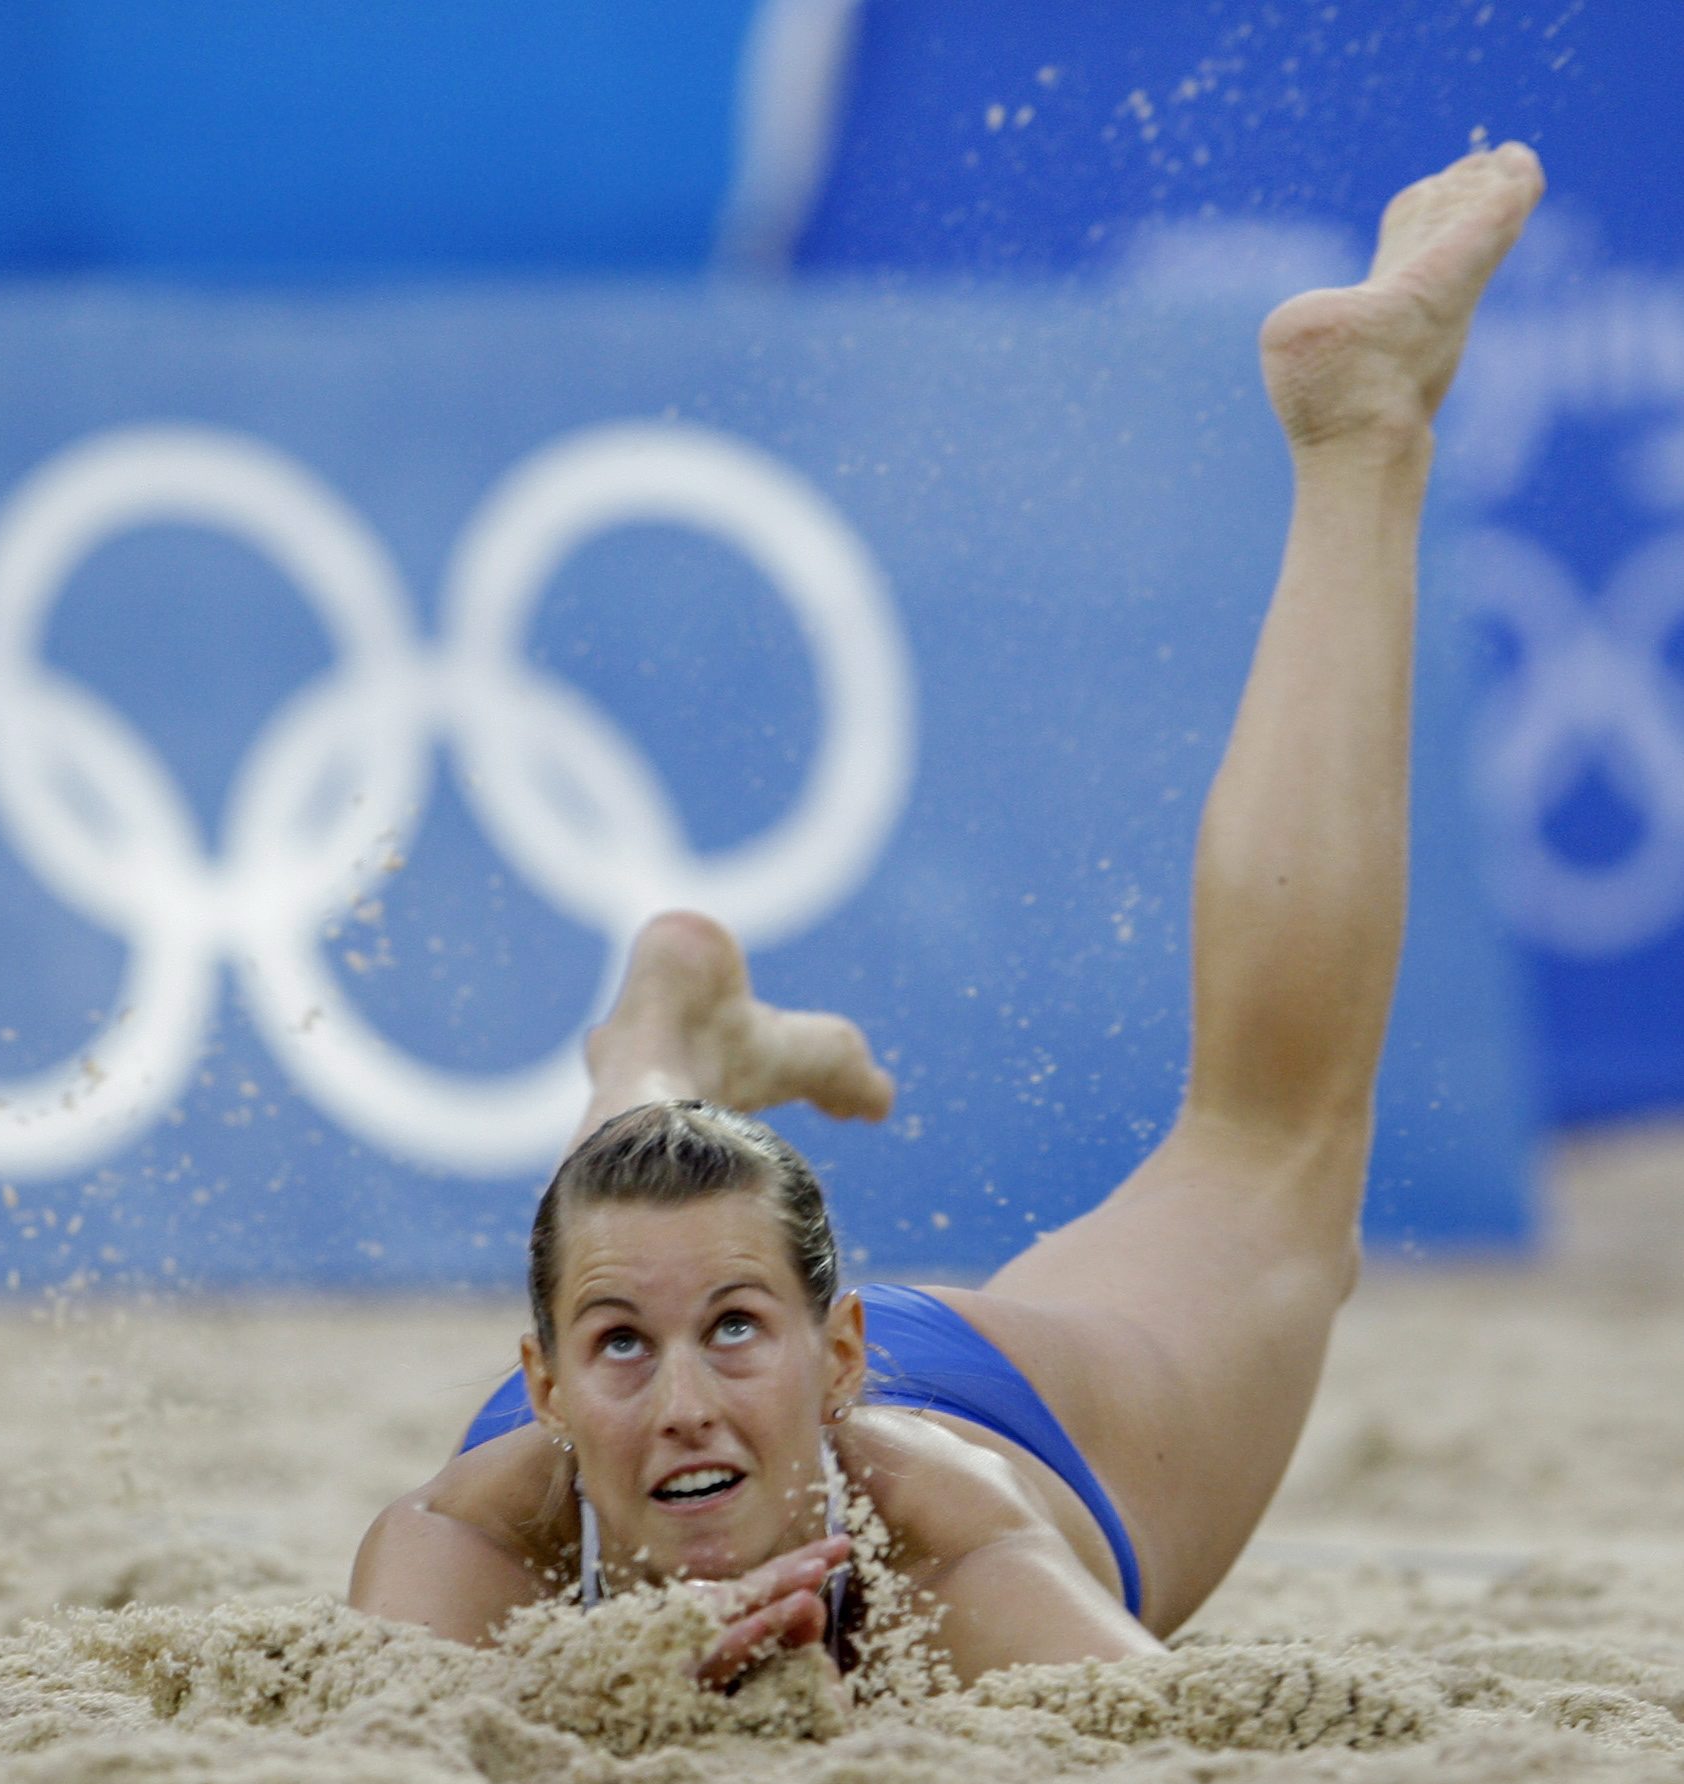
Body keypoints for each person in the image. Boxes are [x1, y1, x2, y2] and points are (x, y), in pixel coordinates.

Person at [350, 143, 1547, 1689]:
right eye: (618, 1356)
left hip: (996, 1398)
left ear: (842, 1355)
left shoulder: (953, 1537)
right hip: (669, 1332)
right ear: (546, 1393)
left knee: (1275, 1152)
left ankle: (1363, 432)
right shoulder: (471, 1533)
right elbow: (362, 1744)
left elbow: (1163, 1725)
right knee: (642, 1220)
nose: (687, 1405)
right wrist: (632, 1685)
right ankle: (662, 1039)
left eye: (739, 1335)